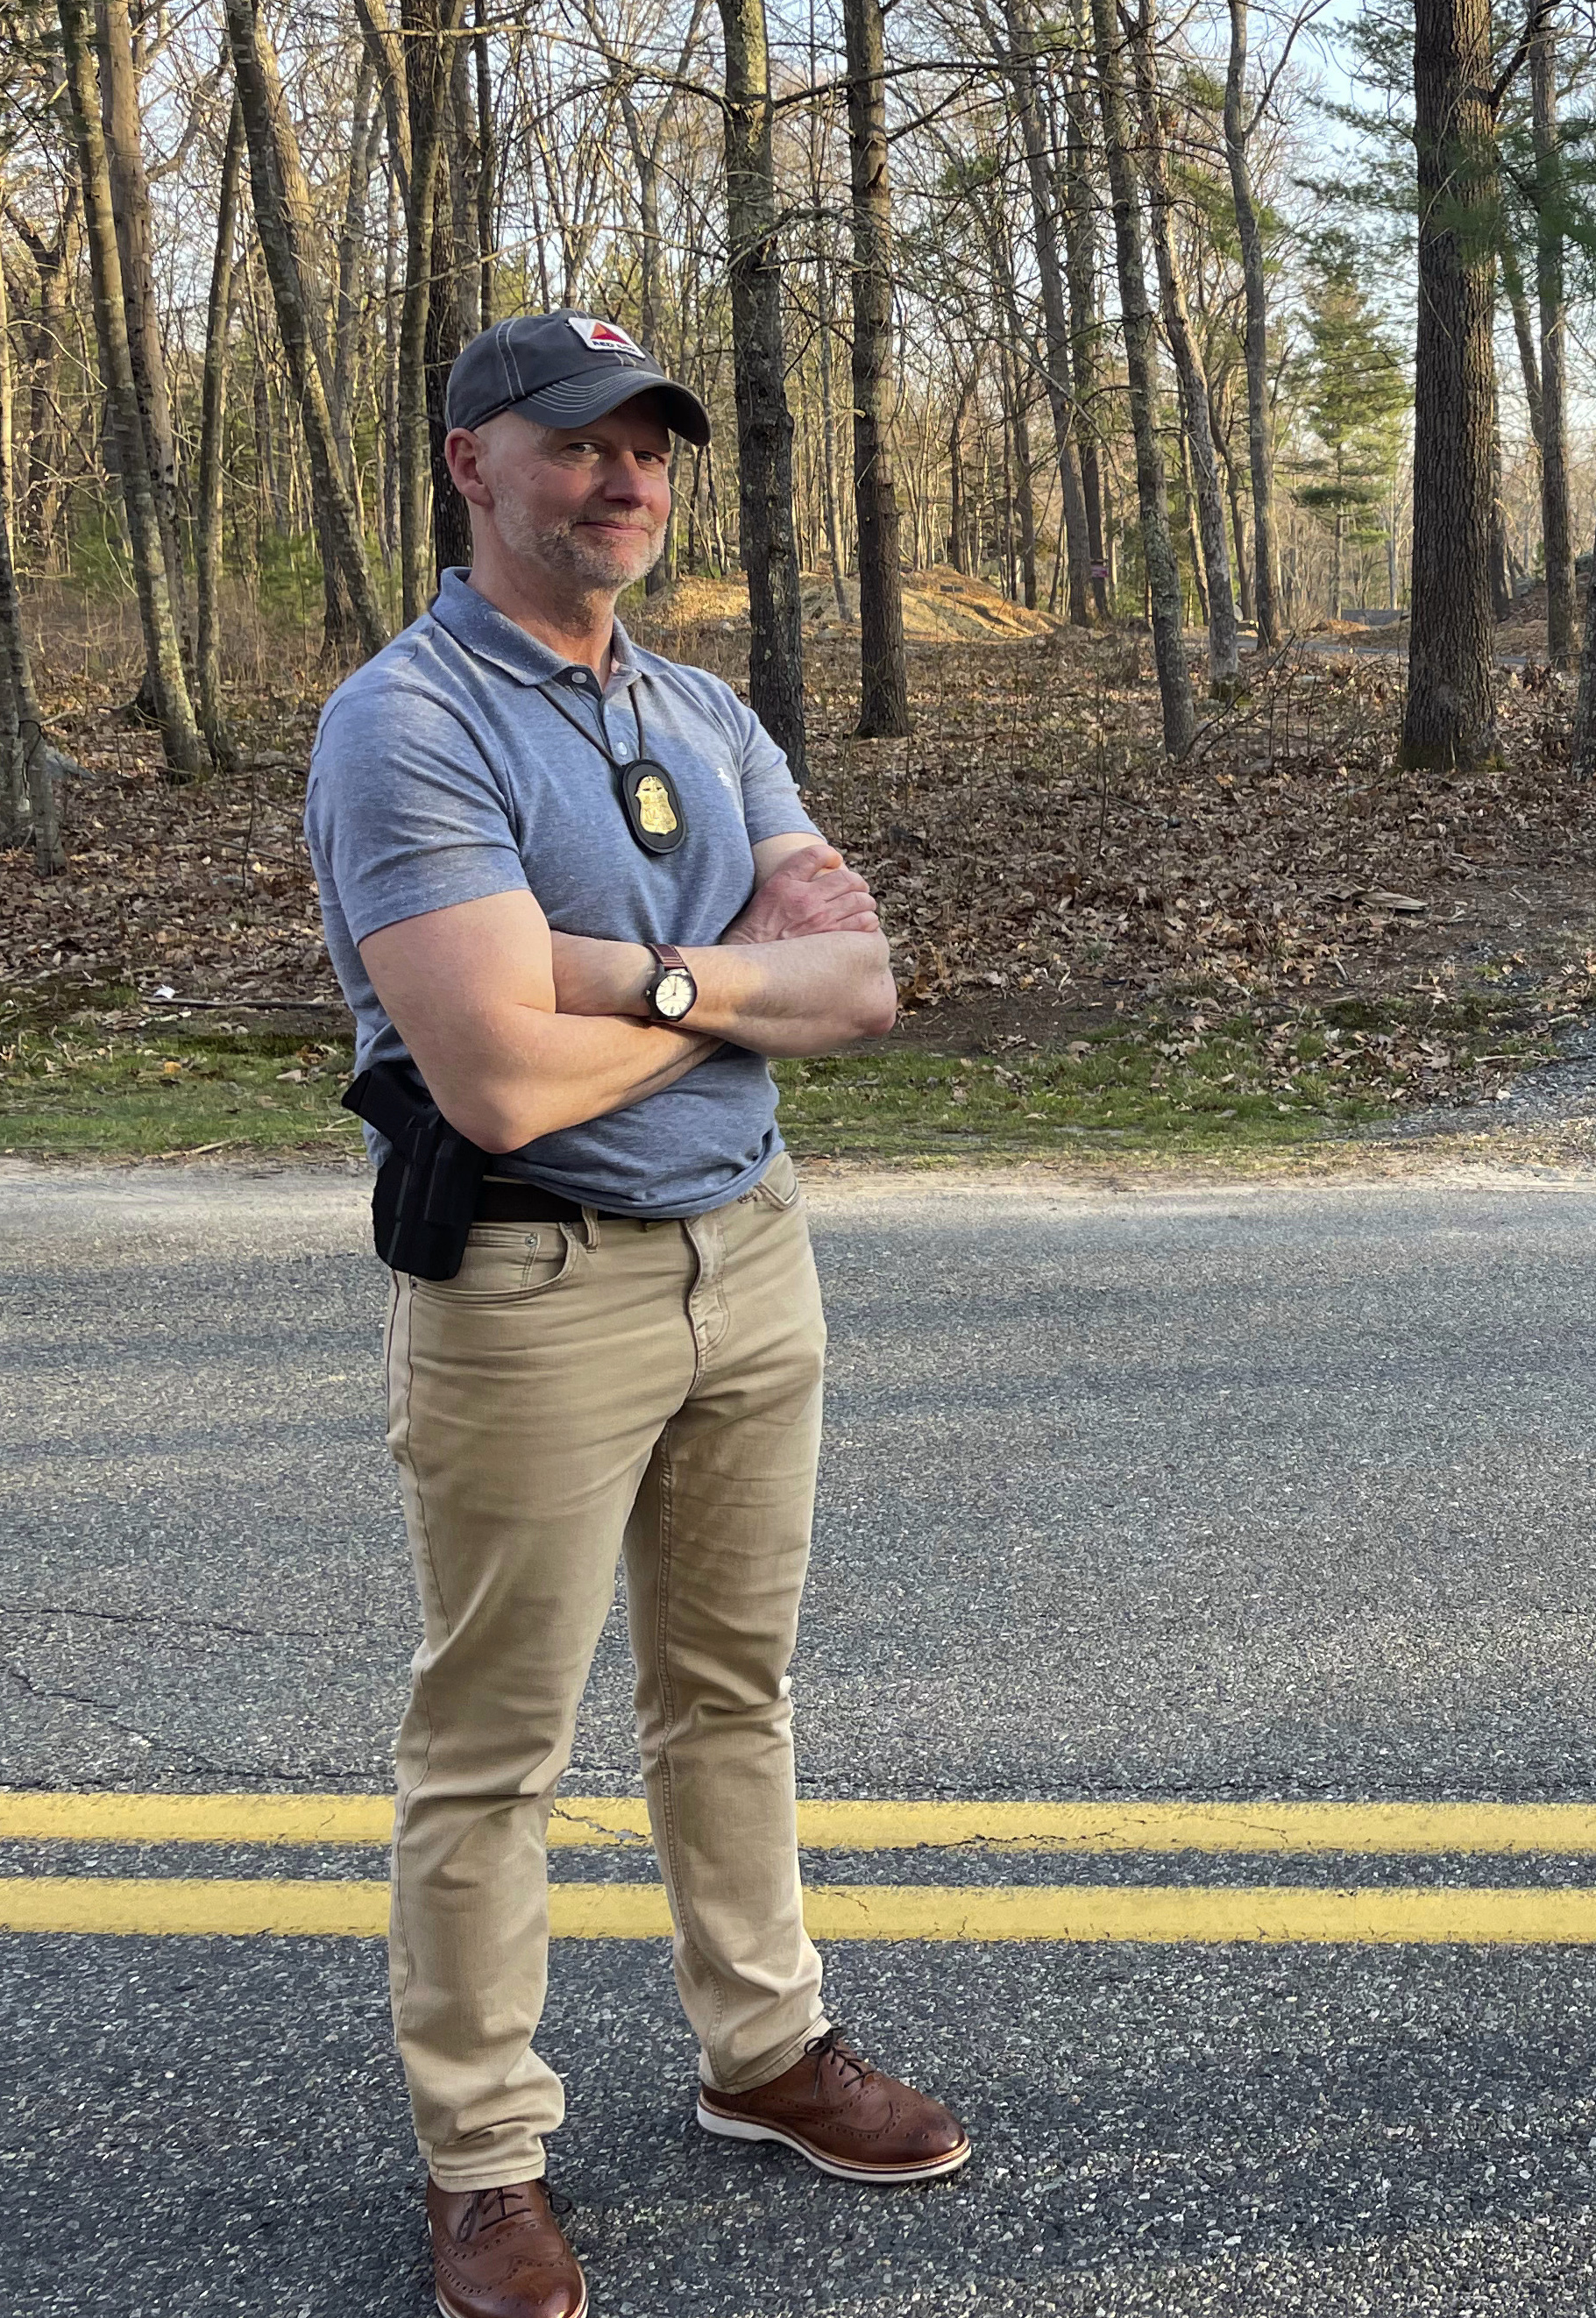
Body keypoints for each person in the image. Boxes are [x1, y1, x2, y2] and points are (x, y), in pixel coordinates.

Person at [305, 314, 967, 2318]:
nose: (623, 477)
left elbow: (859, 983)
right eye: (575, 441)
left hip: (750, 1258)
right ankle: (483, 2154)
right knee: (493, 1746)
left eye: (649, 446)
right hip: (526, 1281)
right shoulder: (406, 723)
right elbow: (495, 1088)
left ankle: (764, 2045)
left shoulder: (703, 706)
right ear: (467, 464)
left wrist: (622, 978)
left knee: (730, 1695)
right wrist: (721, 979)